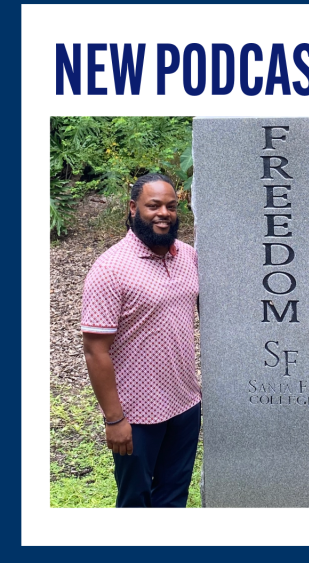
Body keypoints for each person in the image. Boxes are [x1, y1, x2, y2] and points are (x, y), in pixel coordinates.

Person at [81, 173, 201, 508]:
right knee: (135, 501)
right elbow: (95, 349)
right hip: (136, 415)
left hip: (185, 403)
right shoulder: (110, 269)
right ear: (134, 208)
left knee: (174, 497)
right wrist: (114, 419)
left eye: (171, 206)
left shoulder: (188, 257)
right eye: (154, 205)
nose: (164, 212)